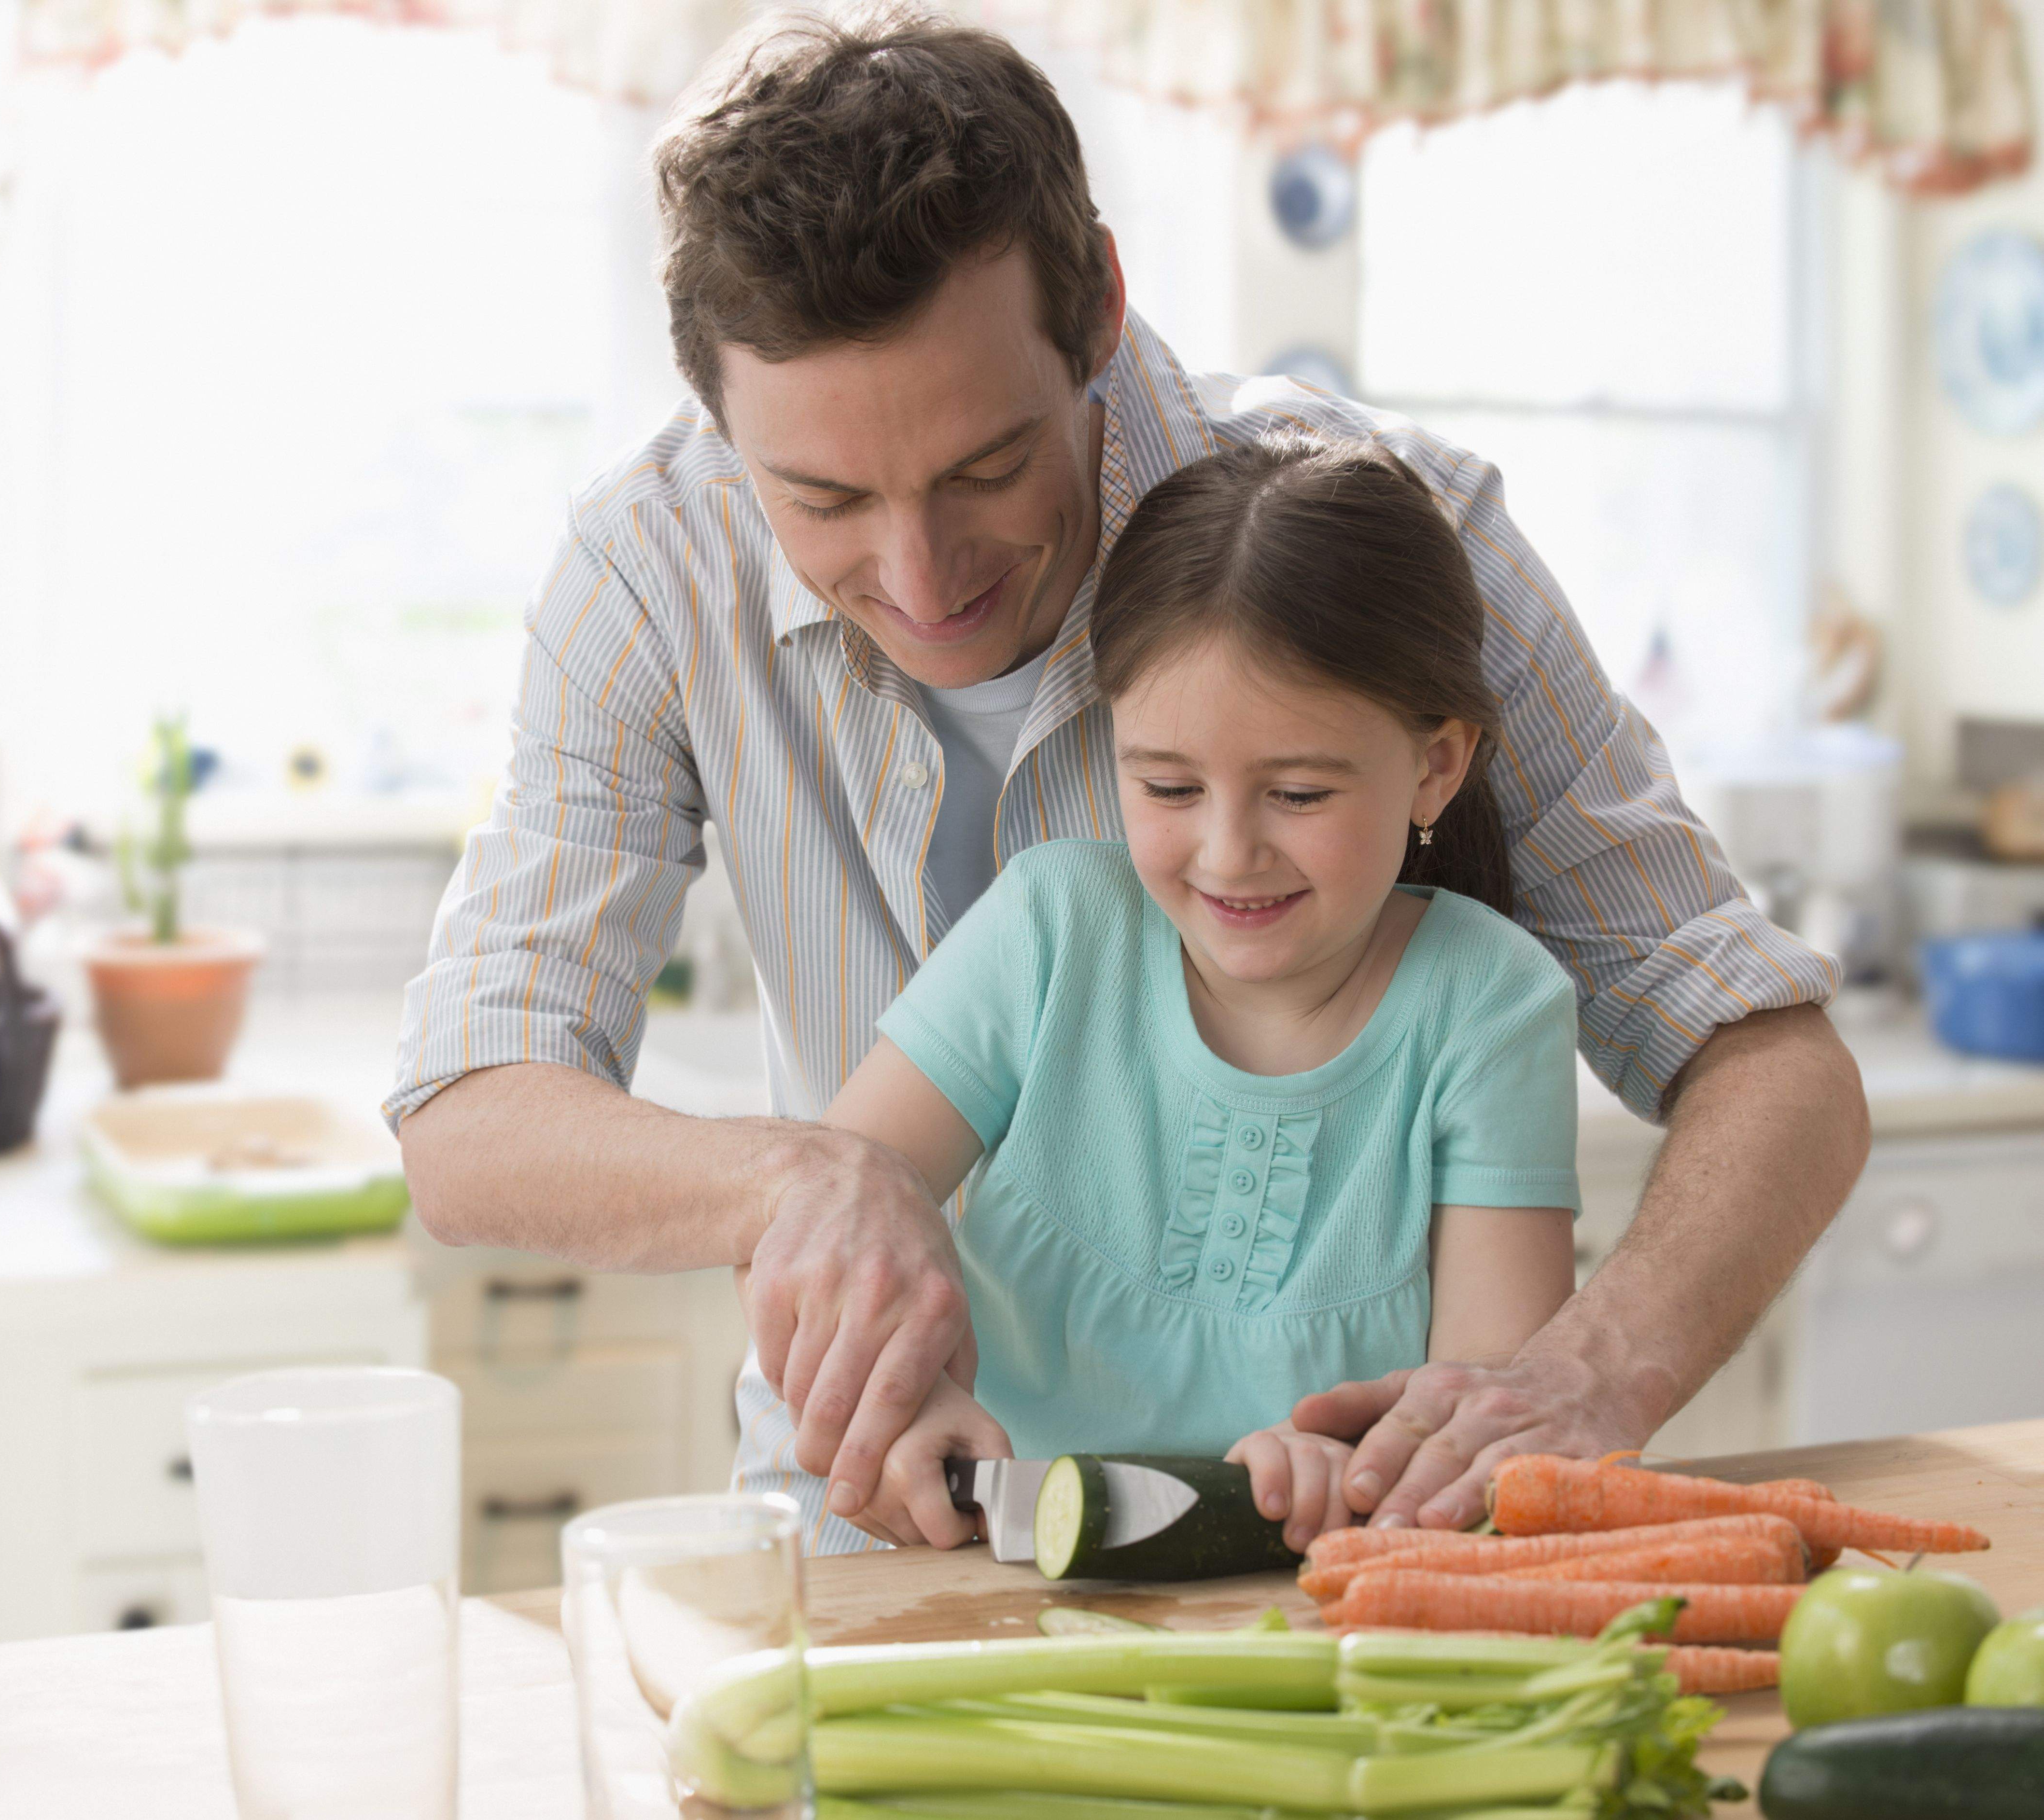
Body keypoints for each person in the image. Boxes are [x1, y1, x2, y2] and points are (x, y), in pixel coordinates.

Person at [388, 8, 1870, 1558]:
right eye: (821, 495)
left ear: (1096, 302)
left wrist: (1573, 1378)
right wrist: (802, 1183)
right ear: (712, 406)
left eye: (984, 466)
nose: (921, 577)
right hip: (871, 1527)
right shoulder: (652, 571)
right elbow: (467, 1118)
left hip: (1325, 1554)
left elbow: (1770, 1059)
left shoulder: (1379, 546)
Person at [821, 435, 1583, 1551]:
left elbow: (1490, 1429)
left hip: (1313, 1631)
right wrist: (894, 1395)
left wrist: (1352, 1472)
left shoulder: (1489, 1003)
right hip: (984, 1593)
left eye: (1299, 791)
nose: (1228, 854)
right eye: (1169, 784)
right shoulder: (1049, 928)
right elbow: (826, 1211)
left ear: (1435, 764)